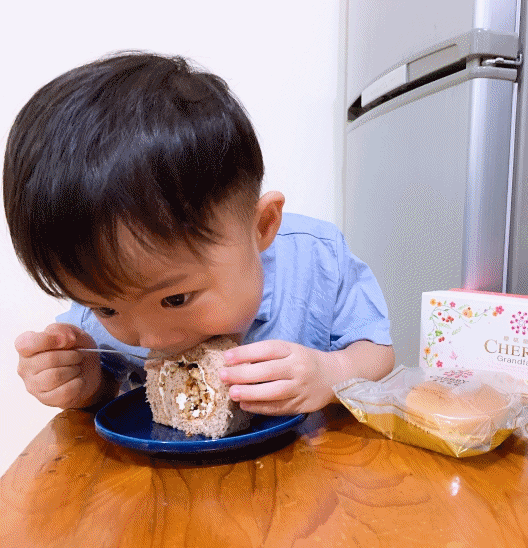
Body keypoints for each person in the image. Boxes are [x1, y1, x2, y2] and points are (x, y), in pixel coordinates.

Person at [4, 51, 395, 415]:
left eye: (175, 299)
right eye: (107, 309)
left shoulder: (317, 259)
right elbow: (110, 388)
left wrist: (332, 371)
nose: (151, 340)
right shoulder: (104, 299)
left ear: (261, 226)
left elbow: (377, 352)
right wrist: (87, 383)